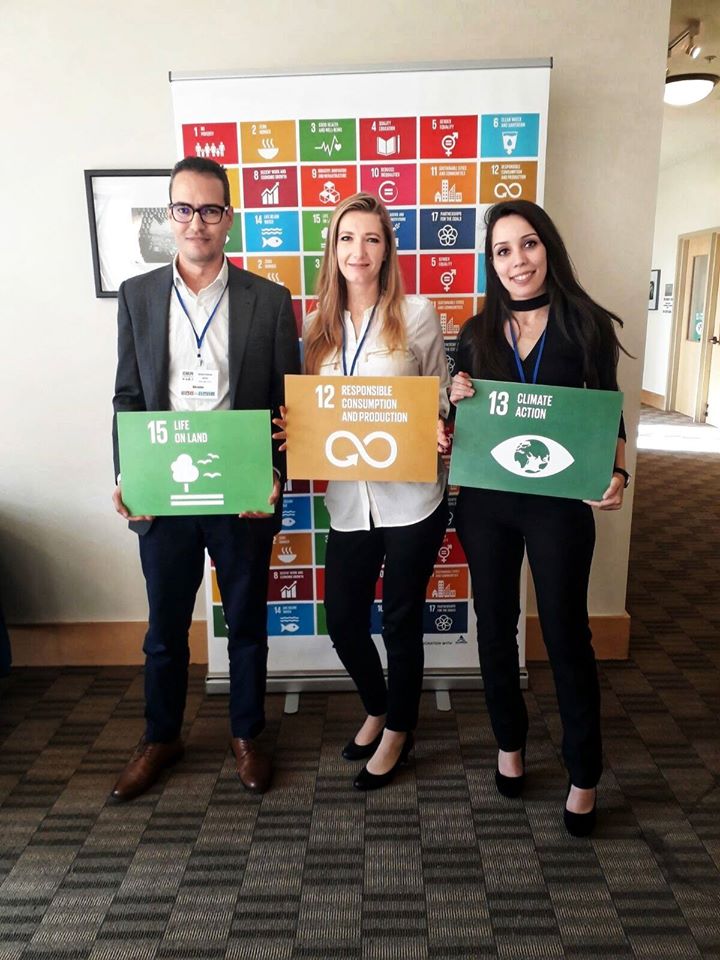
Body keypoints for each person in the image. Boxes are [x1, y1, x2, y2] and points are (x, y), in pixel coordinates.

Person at [110, 156, 300, 801]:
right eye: (185, 209)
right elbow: (128, 396)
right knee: (165, 627)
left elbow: (285, 408)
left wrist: (276, 475)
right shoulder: (138, 296)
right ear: (170, 216)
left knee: (246, 620)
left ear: (229, 217)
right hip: (163, 490)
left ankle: (247, 733)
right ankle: (160, 736)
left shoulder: (269, 301)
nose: (197, 222)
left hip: (240, 491)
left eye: (210, 209)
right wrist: (126, 472)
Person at [450, 199, 629, 836]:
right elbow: (455, 431)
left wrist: (617, 475)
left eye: (527, 244)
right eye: (502, 251)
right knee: (494, 626)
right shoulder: (474, 334)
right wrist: (454, 401)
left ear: (547, 247)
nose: (517, 261)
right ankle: (510, 745)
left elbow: (612, 425)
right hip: (487, 506)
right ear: (490, 262)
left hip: (557, 509)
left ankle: (584, 774)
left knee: (564, 633)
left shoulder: (585, 327)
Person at [276, 192, 450, 790]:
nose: (359, 251)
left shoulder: (420, 315)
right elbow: (310, 412)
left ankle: (400, 728)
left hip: (412, 498)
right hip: (351, 501)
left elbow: (440, 396)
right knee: (344, 619)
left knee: (401, 620)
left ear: (387, 249)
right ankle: (377, 706)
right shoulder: (315, 328)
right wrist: (291, 429)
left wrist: (442, 425)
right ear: (333, 248)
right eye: (348, 238)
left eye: (371, 238)